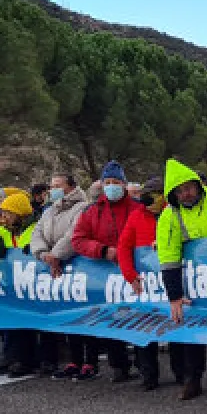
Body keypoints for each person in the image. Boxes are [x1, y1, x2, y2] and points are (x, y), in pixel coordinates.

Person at [157, 159, 207, 400]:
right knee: (193, 328)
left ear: (197, 184)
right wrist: (174, 296)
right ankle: (193, 378)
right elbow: (168, 258)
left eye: (188, 188)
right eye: (179, 191)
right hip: (195, 281)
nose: (185, 194)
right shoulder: (168, 217)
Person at [71, 161, 142, 383]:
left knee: (140, 318)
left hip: (134, 271)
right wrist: (102, 251)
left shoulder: (138, 208)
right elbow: (78, 240)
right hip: (104, 275)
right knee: (112, 320)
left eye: (116, 183)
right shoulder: (92, 212)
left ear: (124, 184)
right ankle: (119, 366)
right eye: (108, 183)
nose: (112, 187)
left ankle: (144, 366)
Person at [28, 173, 90, 378]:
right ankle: (74, 360)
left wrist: (57, 255)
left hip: (77, 266)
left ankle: (89, 362)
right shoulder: (49, 210)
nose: (52, 190)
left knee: (84, 315)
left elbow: (74, 233)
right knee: (67, 315)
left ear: (71, 187)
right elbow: (37, 233)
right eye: (51, 186)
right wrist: (43, 254)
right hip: (54, 266)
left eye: (57, 185)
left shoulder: (81, 207)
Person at [118, 176, 166, 391]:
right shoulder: (137, 216)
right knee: (145, 328)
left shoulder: (174, 213)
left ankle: (185, 373)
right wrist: (130, 275)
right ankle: (149, 375)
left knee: (178, 326)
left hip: (172, 278)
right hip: (146, 282)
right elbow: (123, 247)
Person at [0, 192, 39, 378]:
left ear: (19, 213)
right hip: (12, 283)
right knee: (12, 322)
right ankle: (15, 358)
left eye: (8, 213)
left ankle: (27, 360)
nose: (4, 217)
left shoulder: (34, 228)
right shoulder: (3, 230)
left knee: (27, 324)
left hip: (32, 282)